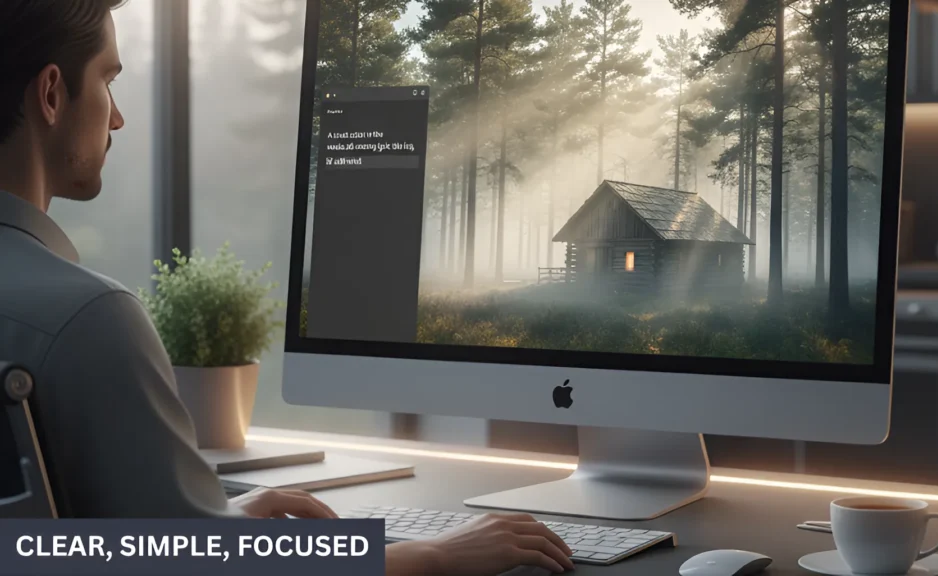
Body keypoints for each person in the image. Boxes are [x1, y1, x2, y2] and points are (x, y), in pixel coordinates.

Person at [0, 2, 573, 574]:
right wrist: (430, 553)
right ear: (51, 94)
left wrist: (214, 524)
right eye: (107, 80)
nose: (118, 118)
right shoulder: (89, 320)